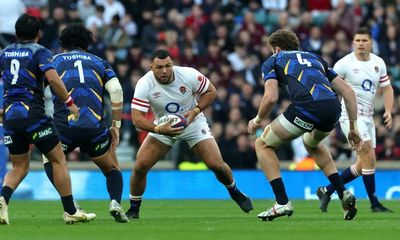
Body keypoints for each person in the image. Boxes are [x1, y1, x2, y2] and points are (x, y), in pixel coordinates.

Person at [247, 29, 363, 221]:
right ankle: (343, 192)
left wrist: (257, 120)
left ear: (276, 49)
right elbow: (348, 93)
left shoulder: (274, 60)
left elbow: (271, 97)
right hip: (333, 109)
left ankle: (282, 202)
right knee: (312, 144)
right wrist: (353, 128)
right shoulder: (314, 57)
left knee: (263, 144)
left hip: (307, 108)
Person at [126, 49, 253, 219]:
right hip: (164, 126)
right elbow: (137, 119)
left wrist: (195, 111)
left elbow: (211, 92)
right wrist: (158, 129)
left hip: (193, 122)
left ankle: (235, 191)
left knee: (217, 165)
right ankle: (134, 209)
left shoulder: (188, 75)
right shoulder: (144, 83)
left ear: (172, 64)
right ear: (151, 67)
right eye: (159, 67)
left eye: (167, 66)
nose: (164, 71)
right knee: (140, 166)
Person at [0, 14, 95, 224]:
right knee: (57, 159)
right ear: (38, 34)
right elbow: (53, 79)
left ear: (16, 33)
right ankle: (71, 211)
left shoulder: (5, 53)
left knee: (19, 166)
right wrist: (71, 103)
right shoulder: (40, 52)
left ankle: (2, 198)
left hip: (10, 117)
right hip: (33, 115)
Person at [42, 23, 129, 222]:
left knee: (51, 161)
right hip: (94, 128)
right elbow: (116, 91)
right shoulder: (100, 62)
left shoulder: (53, 61)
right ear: (86, 43)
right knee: (112, 168)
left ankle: (71, 206)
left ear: (62, 43)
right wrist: (115, 126)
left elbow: (38, 88)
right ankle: (115, 202)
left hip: (64, 128)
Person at [316, 27, 394, 213]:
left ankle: (327, 190)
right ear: (353, 43)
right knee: (369, 156)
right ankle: (374, 203)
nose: (360, 44)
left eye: (364, 40)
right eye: (357, 40)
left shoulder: (378, 63)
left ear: (371, 43)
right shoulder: (343, 64)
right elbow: (330, 89)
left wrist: (389, 111)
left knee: (362, 164)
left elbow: (388, 88)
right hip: (349, 116)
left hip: (368, 117)